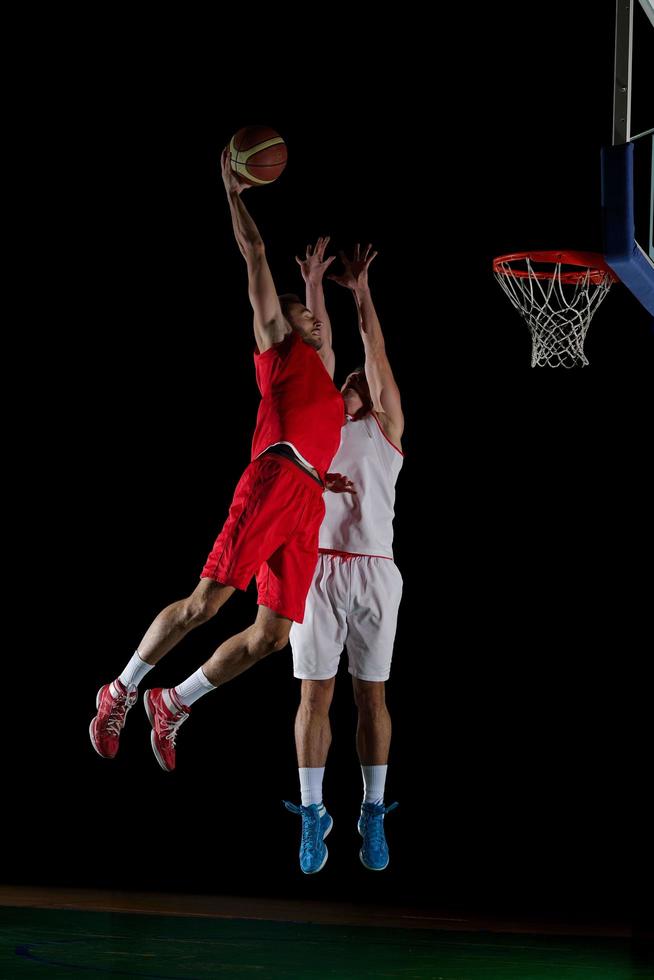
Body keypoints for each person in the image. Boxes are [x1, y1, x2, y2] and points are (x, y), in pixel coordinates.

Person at [89, 150, 352, 772]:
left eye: (314, 315)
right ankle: (119, 690)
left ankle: (174, 702)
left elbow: (329, 336)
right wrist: (234, 194)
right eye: (302, 312)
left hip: (308, 498)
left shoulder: (323, 364)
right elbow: (256, 259)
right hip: (274, 476)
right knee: (204, 604)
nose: (312, 318)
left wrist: (317, 282)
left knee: (273, 636)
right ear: (282, 321)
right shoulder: (277, 346)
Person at [283, 243, 404, 873]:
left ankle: (373, 810)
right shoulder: (323, 423)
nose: (354, 379)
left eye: (360, 379)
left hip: (376, 572)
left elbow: (370, 352)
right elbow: (319, 349)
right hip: (320, 568)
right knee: (314, 696)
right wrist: (312, 284)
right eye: (348, 378)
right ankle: (312, 813)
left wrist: (362, 295)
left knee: (371, 698)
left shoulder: (386, 427)